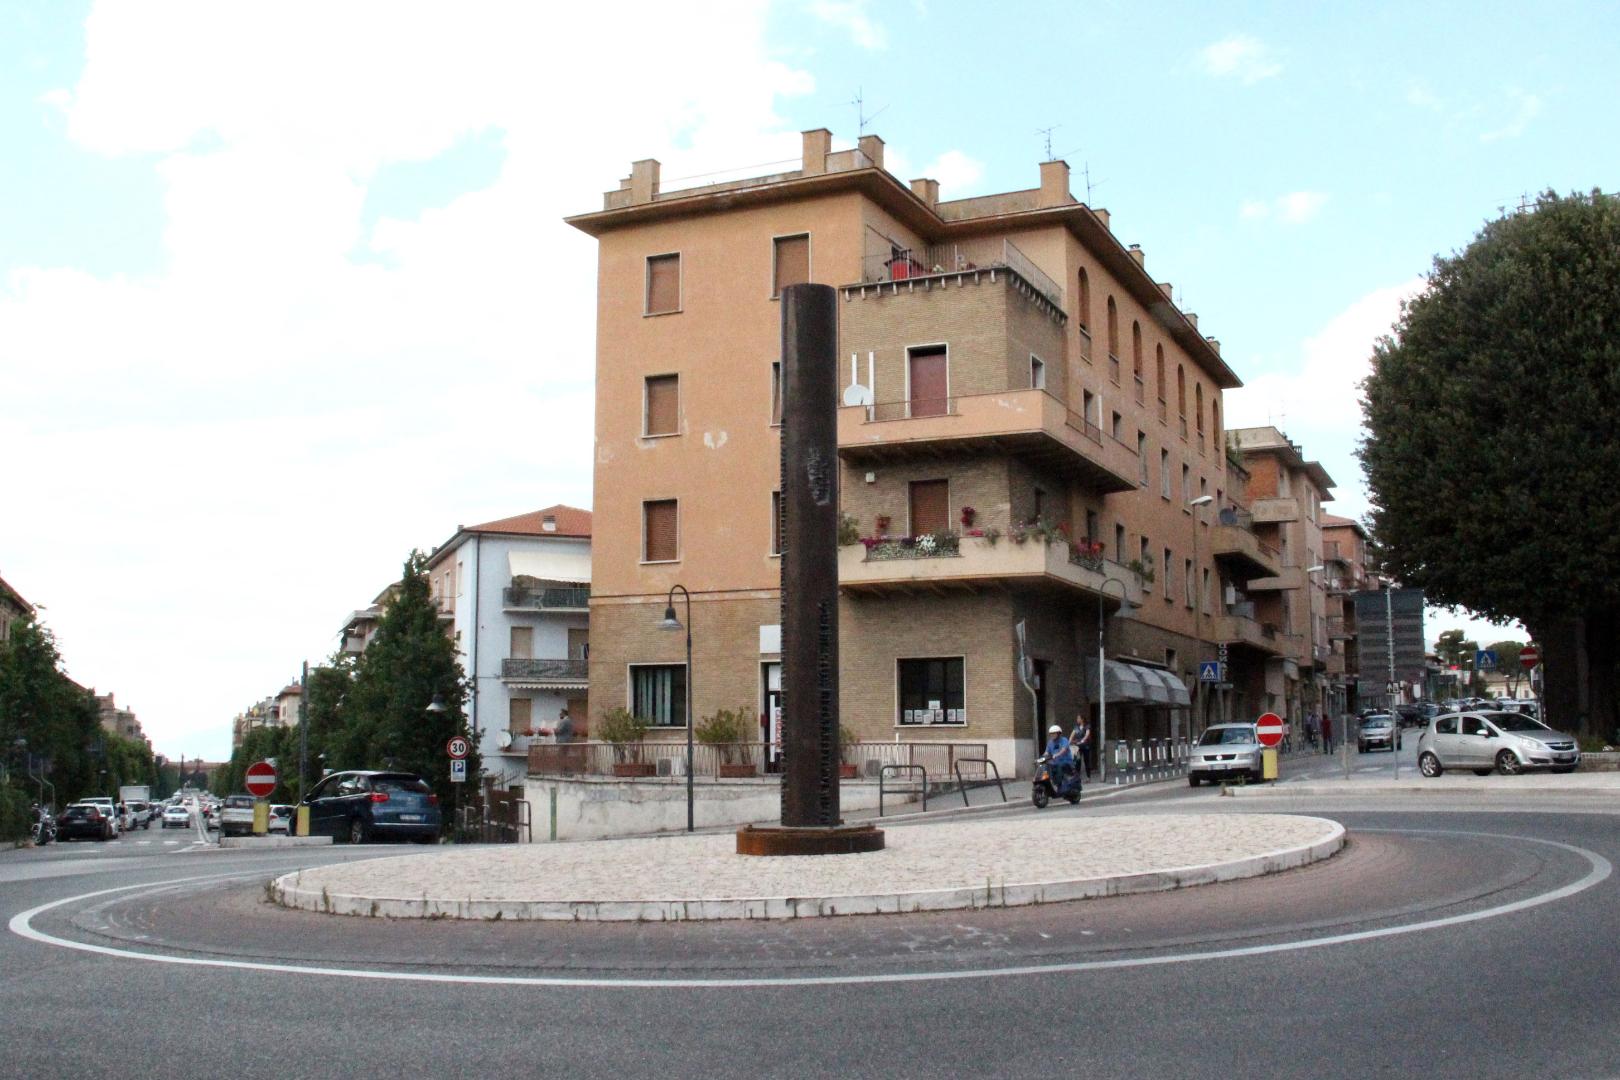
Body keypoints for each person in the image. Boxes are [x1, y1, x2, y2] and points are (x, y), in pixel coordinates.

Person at [1044, 724, 1074, 790]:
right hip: (1054, 762)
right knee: (1045, 766)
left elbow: (1064, 749)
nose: (1052, 735)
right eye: (1051, 734)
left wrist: (1057, 755)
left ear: (1058, 733)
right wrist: (1043, 757)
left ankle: (1059, 784)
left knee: (1059, 767)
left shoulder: (1064, 740)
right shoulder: (1050, 742)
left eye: (1054, 733)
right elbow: (1047, 752)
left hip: (1065, 762)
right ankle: (1050, 782)